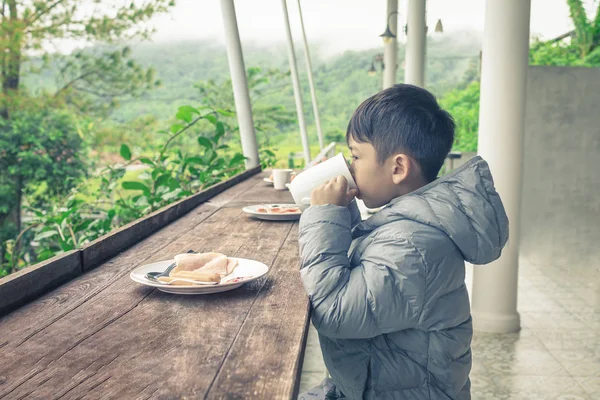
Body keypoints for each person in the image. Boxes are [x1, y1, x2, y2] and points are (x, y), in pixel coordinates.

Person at [298, 84, 509, 400]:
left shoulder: (414, 247)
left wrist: (324, 214)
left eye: (356, 155)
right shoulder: (409, 224)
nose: (350, 167)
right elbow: (367, 259)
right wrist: (341, 209)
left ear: (398, 167)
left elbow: (334, 311)